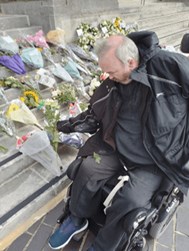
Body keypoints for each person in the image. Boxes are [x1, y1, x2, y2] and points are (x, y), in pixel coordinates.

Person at [48, 30, 189, 251]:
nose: (108, 76)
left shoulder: (169, 67)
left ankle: (104, 246)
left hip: (154, 158)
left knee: (131, 202)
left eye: (111, 71)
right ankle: (77, 218)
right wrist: (65, 125)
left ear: (131, 62)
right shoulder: (115, 80)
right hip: (116, 146)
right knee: (86, 169)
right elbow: (96, 109)